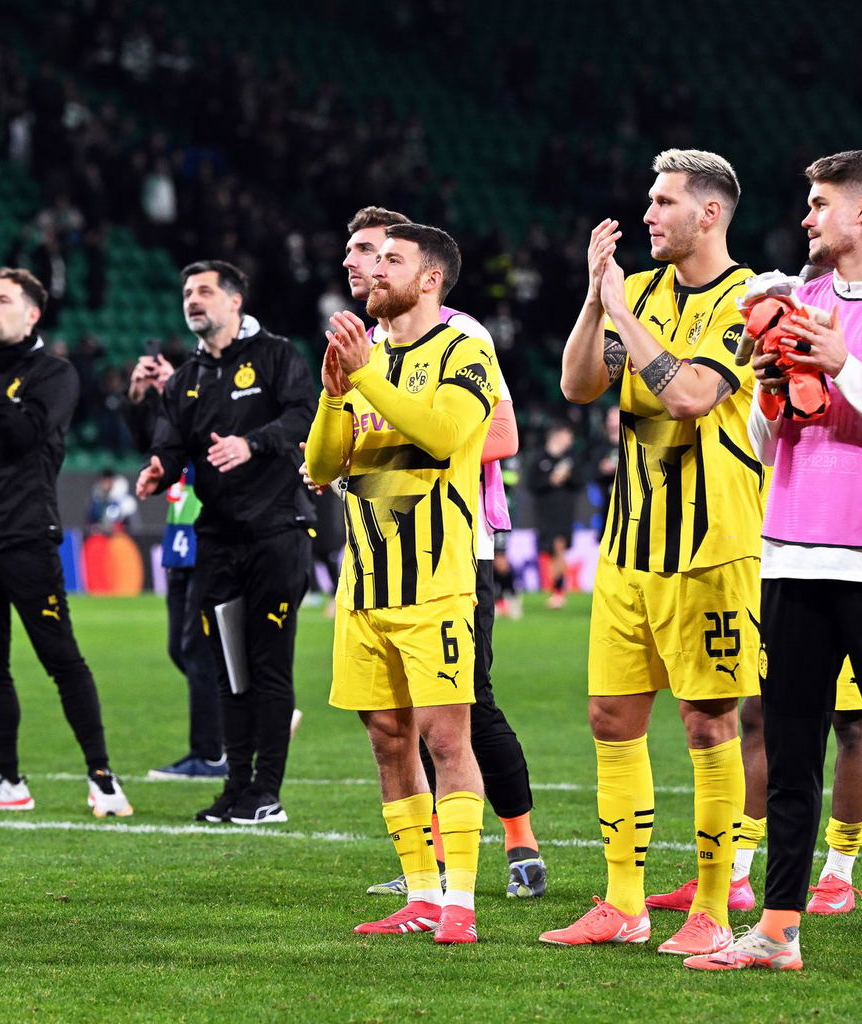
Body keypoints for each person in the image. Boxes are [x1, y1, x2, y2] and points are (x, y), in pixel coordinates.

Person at [689, 149, 862, 980]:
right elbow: (771, 445)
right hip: (796, 549)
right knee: (789, 747)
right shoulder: (796, 301)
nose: (806, 218)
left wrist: (845, 368)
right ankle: (777, 930)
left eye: (819, 204)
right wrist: (773, 393)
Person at [540, 150, 762, 956]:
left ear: (710, 213)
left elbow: (693, 394)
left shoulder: (753, 300)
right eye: (648, 198)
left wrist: (626, 314)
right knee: (611, 716)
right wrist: (597, 301)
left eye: (665, 201)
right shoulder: (639, 293)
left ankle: (711, 907)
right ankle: (624, 902)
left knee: (708, 723)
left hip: (713, 550)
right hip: (630, 548)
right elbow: (577, 386)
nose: (648, 213)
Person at [339, 206, 545, 899]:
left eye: (373, 254)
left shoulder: (462, 335)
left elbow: (502, 435)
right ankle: (423, 875)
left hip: (454, 545)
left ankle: (520, 846)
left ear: (419, 270)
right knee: (395, 725)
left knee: (466, 708)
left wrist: (400, 458)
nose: (359, 266)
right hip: (381, 551)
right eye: (357, 256)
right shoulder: (372, 343)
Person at [306, 222, 496, 944]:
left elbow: (445, 436)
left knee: (447, 740)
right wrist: (333, 397)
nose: (375, 268)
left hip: (436, 583)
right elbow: (325, 465)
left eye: (393, 259)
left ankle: (461, 904)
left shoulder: (465, 351)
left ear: (431, 279)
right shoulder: (366, 357)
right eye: (372, 257)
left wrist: (366, 377)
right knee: (389, 740)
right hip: (364, 585)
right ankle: (419, 893)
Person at [0, 267, 131, 818]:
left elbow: (22, 436)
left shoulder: (55, 374)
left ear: (32, 314)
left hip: (25, 538)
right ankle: (5, 779)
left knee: (61, 658)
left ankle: (103, 777)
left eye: (3, 301)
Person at [136, 260, 316, 824]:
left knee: (268, 667)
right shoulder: (188, 376)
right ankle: (236, 788)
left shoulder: (277, 355)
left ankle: (269, 791)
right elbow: (172, 443)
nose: (193, 300)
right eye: (188, 291)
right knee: (229, 671)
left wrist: (253, 444)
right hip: (218, 539)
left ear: (235, 301)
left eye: (205, 291)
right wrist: (159, 470)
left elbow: (307, 416)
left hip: (276, 533)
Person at [655, 662, 862, 918]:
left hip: (853, 622)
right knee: (757, 712)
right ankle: (735, 873)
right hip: (790, 622)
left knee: (850, 719)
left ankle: (838, 874)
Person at [124, 351, 227, 780]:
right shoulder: (173, 408)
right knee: (180, 648)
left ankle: (211, 754)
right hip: (179, 533)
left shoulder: (216, 397)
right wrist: (138, 398)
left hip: (209, 529)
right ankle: (250, 711)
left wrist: (175, 393)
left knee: (197, 648)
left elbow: (208, 439)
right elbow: (152, 447)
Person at [527, 422, 584, 609]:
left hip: (565, 512)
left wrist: (568, 477)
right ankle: (556, 590)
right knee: (550, 551)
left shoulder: (571, 459)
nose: (571, 440)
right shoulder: (539, 458)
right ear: (557, 435)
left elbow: (580, 482)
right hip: (544, 513)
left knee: (559, 547)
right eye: (568, 436)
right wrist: (550, 481)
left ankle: (559, 591)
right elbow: (531, 484)